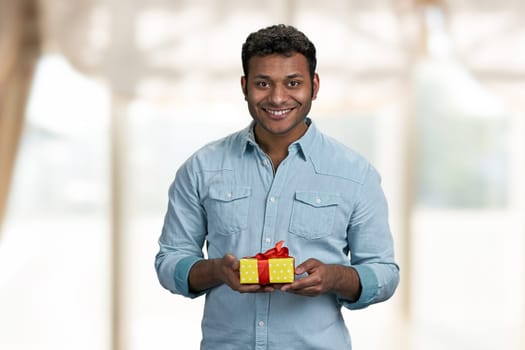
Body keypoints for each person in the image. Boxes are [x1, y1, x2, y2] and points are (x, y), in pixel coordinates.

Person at [155, 24, 399, 349]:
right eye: (262, 83)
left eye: (293, 83)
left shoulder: (356, 174)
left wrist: (335, 277)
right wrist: (217, 271)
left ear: (314, 85)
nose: (278, 97)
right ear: (244, 86)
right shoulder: (201, 168)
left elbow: (384, 272)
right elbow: (170, 260)